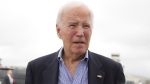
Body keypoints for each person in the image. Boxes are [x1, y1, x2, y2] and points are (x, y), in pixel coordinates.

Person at [25, 1, 125, 84]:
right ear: (59, 30)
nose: (81, 33)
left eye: (86, 26)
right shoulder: (36, 69)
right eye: (73, 25)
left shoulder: (113, 70)